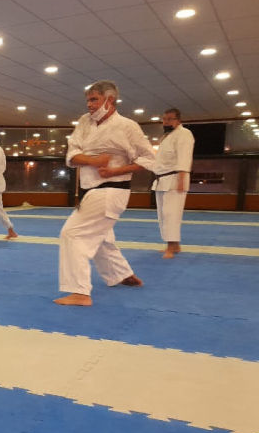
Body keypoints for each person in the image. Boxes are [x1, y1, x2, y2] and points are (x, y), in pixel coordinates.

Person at [55, 80, 155, 307]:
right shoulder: (84, 121)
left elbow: (149, 159)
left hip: (112, 190)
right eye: (88, 100)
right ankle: (121, 274)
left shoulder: (127, 126)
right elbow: (72, 155)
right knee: (101, 237)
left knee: (72, 234)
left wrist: (115, 170)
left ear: (110, 100)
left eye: (94, 99)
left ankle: (79, 292)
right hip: (89, 190)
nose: (89, 105)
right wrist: (94, 161)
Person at [152, 108, 194, 259]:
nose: (166, 122)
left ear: (178, 120)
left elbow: (184, 157)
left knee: (171, 214)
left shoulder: (184, 134)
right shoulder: (166, 137)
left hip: (176, 178)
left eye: (170, 119)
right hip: (162, 179)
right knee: (163, 214)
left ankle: (171, 247)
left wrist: (181, 179)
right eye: (164, 119)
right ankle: (174, 244)